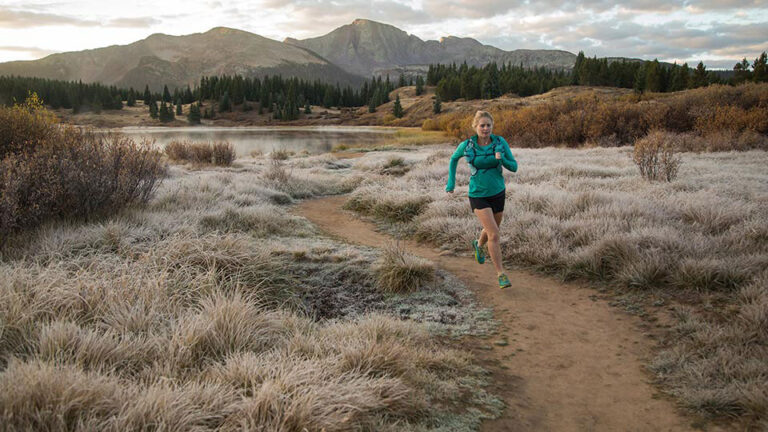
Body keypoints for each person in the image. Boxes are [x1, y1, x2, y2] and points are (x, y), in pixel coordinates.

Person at [445, 111, 518, 289]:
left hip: (498, 192)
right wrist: (450, 184)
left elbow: (514, 167)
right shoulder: (467, 145)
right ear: (475, 127)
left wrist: (502, 160)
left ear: (492, 127)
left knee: (492, 229)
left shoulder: (500, 142)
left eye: (488, 125)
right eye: (482, 125)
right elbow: (453, 159)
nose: (485, 128)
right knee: (494, 234)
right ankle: (501, 274)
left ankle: (478, 245)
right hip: (478, 194)